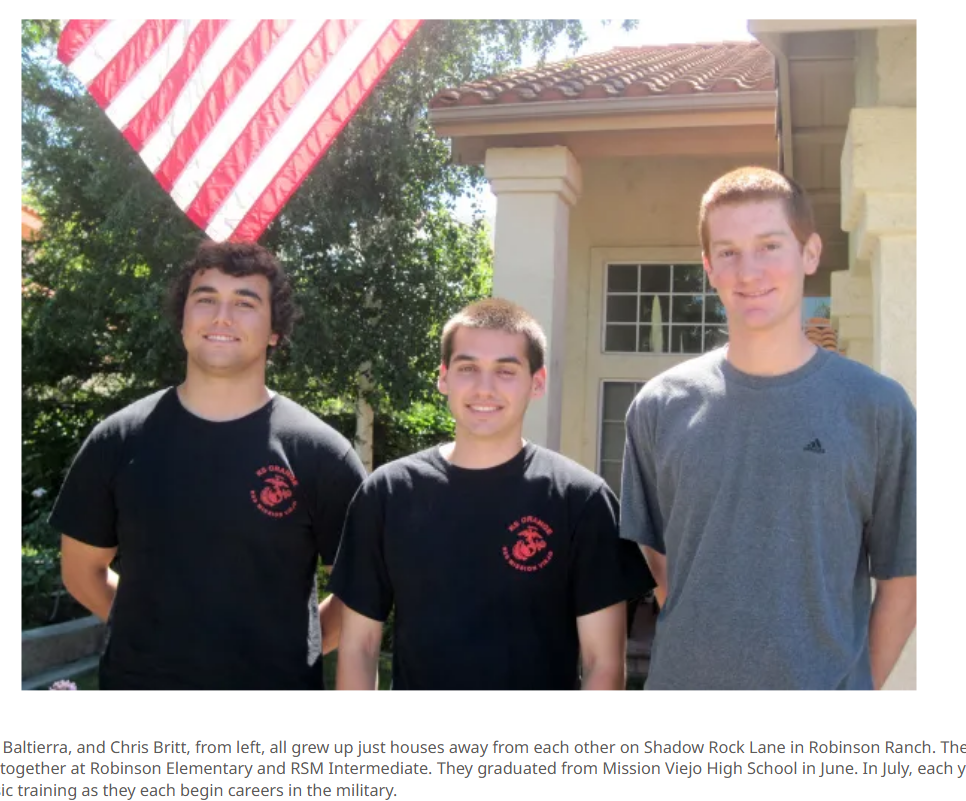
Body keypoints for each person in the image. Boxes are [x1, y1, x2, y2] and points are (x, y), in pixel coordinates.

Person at [619, 166, 917, 690]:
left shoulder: (877, 408)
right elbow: (664, 569)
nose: (748, 271)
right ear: (709, 267)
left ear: (810, 253)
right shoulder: (659, 406)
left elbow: (903, 583)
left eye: (770, 246)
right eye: (728, 252)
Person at [50, 241, 367, 689]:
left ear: (275, 331)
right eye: (205, 299)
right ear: (183, 320)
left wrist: (292, 648)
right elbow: (81, 571)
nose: (222, 316)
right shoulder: (117, 440)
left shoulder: (321, 454)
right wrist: (151, 634)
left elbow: (360, 596)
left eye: (245, 303)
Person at [331, 298, 655, 690]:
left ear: (537, 382)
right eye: (468, 368)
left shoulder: (581, 500)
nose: (484, 388)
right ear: (444, 378)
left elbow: (603, 663)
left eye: (505, 370)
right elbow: (359, 648)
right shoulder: (387, 494)